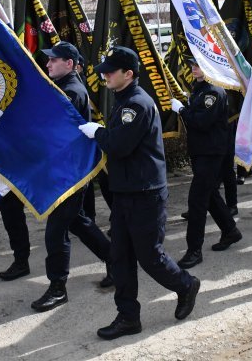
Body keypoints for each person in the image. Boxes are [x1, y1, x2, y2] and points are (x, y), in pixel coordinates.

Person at [78, 46, 199, 340]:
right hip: (126, 190)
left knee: (150, 257)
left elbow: (119, 145)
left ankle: (185, 285)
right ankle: (128, 317)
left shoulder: (136, 105)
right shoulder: (124, 100)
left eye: (110, 71)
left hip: (144, 193)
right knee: (119, 257)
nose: (104, 75)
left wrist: (97, 132)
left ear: (128, 74)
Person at [29, 42, 113, 312]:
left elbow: (50, 127)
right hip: (65, 170)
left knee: (56, 232)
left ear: (70, 64)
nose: (48, 64)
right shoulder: (64, 88)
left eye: (54, 60)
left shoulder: (72, 91)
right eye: (48, 60)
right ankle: (117, 262)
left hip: (71, 174)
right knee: (78, 223)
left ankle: (58, 288)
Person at [171, 56, 242, 269]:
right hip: (201, 151)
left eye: (198, 65)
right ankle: (230, 230)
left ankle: (194, 251)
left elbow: (201, 122)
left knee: (197, 201)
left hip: (210, 152)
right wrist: (186, 103)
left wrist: (182, 110)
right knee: (209, 194)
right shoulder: (200, 89)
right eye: (192, 65)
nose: (193, 68)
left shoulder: (213, 92)